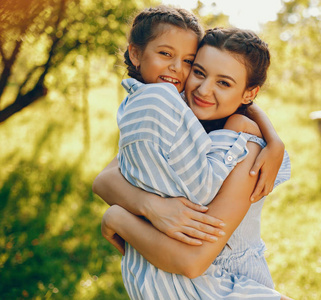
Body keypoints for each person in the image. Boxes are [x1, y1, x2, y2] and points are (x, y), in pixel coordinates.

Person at [93, 5, 291, 300]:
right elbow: (105, 180)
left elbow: (192, 261)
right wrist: (150, 206)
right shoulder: (176, 119)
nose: (203, 89)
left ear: (249, 93)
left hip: (229, 287)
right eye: (198, 71)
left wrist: (118, 218)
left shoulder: (246, 149)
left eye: (223, 83)